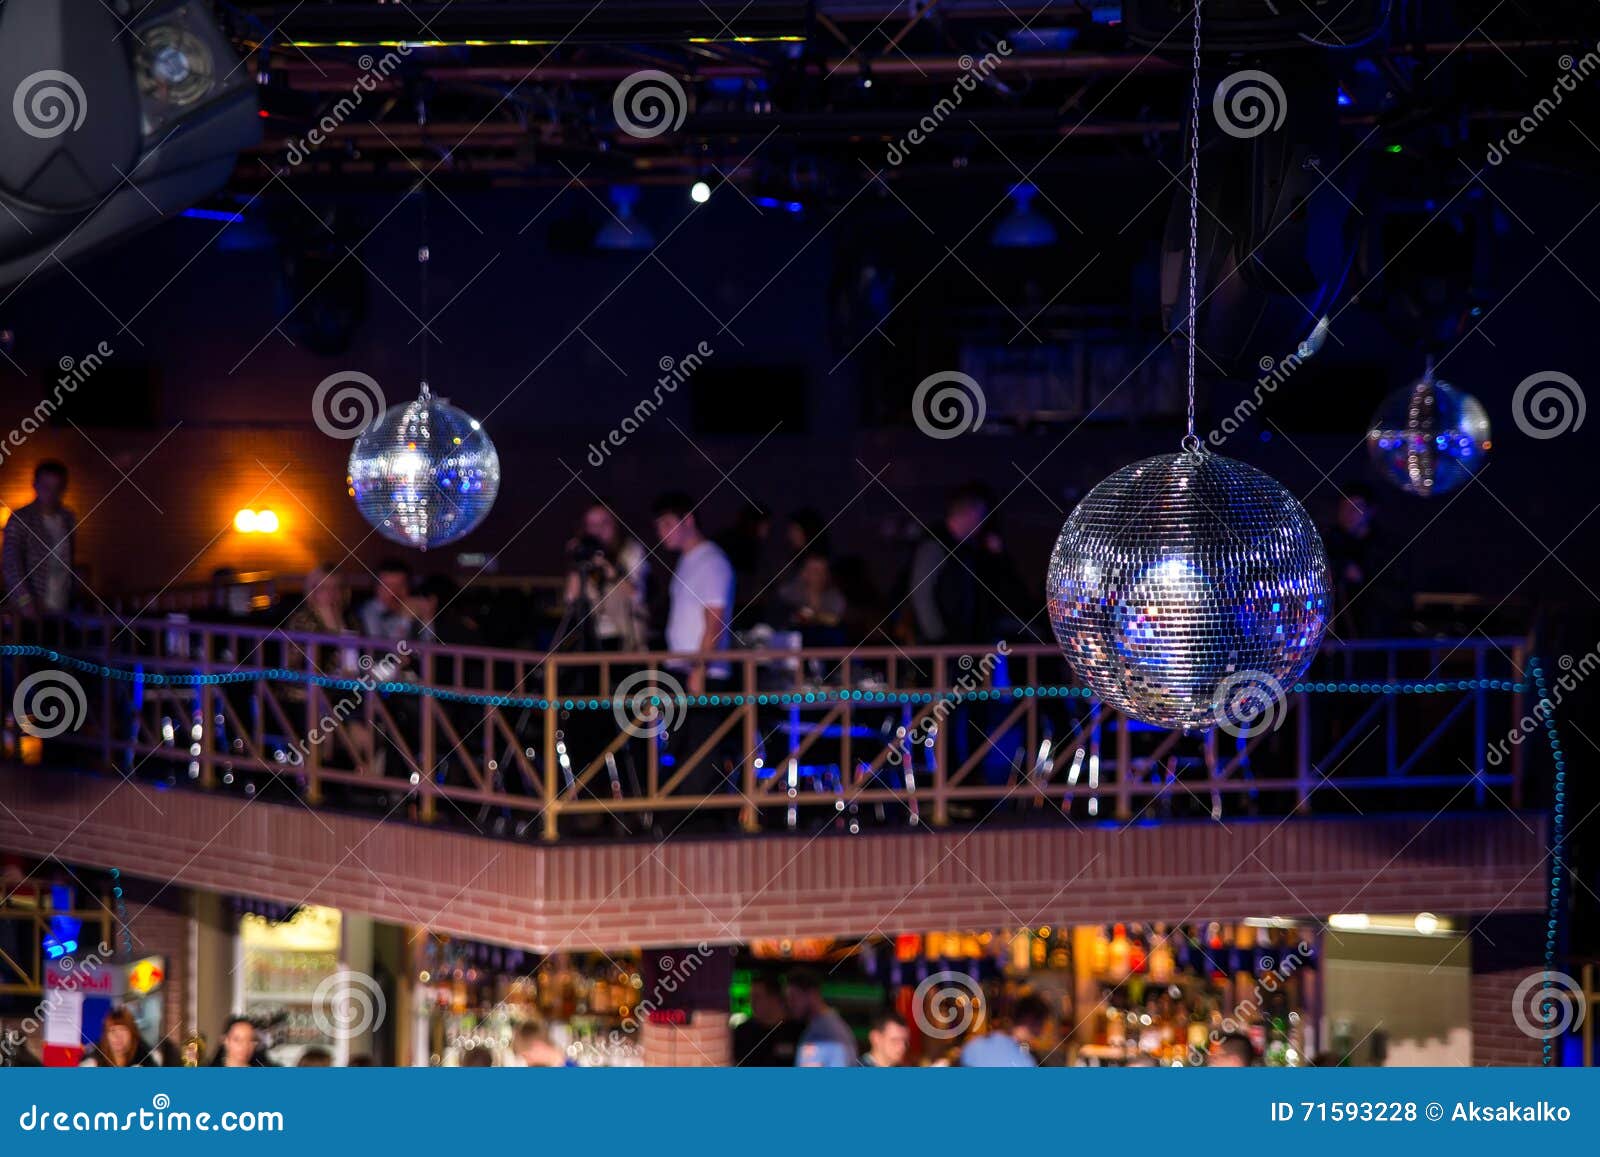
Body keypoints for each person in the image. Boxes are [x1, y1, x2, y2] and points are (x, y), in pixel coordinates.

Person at [907, 483, 1024, 645]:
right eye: (981, 515)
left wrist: (998, 557)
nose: (983, 522)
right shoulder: (934, 545)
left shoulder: (969, 550)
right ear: (971, 514)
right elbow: (922, 593)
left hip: (960, 643)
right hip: (940, 647)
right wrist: (937, 637)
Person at [653, 492, 735, 694]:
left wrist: (700, 669)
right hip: (681, 669)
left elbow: (715, 620)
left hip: (704, 674)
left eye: (667, 524)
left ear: (688, 520)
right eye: (659, 526)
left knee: (704, 725)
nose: (661, 533)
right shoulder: (685, 560)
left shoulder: (712, 561)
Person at [562, 502, 648, 652]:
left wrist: (609, 567)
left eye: (605, 523)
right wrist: (577, 562)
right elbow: (570, 599)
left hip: (627, 638)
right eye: (592, 525)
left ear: (616, 524)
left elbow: (637, 595)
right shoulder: (585, 557)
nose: (598, 530)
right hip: (593, 638)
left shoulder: (631, 551)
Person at [1, 460, 76, 616]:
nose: (51, 493)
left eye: (57, 488)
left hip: (62, 608)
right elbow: (11, 564)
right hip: (31, 610)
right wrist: (25, 601)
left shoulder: (67, 518)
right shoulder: (21, 519)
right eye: (46, 487)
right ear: (35, 485)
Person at [786, 970, 857, 1067]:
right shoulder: (817, 1027)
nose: (790, 1004)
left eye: (794, 998)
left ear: (812, 994)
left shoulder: (830, 1032)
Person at [958, 994, 1049, 1068]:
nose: (1042, 1030)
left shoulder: (973, 1045)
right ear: (1030, 1020)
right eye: (1041, 1023)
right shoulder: (1025, 1062)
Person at [777, 551, 847, 644]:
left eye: (823, 571)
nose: (819, 575)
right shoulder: (789, 592)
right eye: (815, 571)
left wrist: (814, 616)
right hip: (795, 637)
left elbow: (835, 619)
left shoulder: (835, 595)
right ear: (804, 573)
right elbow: (787, 617)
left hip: (826, 639)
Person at [732, 976, 803, 1067]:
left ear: (774, 998)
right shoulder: (743, 1031)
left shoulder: (798, 1030)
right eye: (750, 997)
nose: (751, 1002)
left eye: (757, 997)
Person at [358, 558, 422, 641]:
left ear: (409, 588)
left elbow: (430, 647)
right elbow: (384, 649)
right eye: (387, 586)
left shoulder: (415, 608)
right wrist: (405, 621)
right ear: (376, 588)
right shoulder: (368, 612)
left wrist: (428, 620)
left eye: (400, 586)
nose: (393, 592)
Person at [79, 1007, 159, 1067]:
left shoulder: (148, 1062)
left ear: (132, 1033)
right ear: (106, 1036)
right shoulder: (91, 1063)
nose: (118, 1036)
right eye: (112, 1031)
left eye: (123, 1030)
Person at [287, 564, 353, 636]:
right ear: (313, 592)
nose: (331, 593)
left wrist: (340, 624)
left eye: (336, 587)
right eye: (324, 588)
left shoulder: (351, 619)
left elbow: (356, 646)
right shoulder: (301, 621)